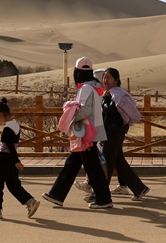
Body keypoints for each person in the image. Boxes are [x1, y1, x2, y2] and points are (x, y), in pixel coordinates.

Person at [42, 57, 113, 209]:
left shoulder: (86, 88)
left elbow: (85, 110)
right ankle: (57, 195)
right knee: (73, 163)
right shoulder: (95, 86)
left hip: (87, 132)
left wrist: (71, 116)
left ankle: (104, 198)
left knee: (91, 166)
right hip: (92, 130)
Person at [96, 67, 149, 201]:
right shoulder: (110, 93)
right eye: (104, 77)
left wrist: (106, 100)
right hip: (110, 131)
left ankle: (100, 194)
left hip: (114, 131)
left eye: (108, 77)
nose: (105, 80)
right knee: (119, 162)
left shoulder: (117, 94)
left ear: (116, 80)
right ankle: (139, 188)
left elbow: (115, 111)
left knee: (107, 163)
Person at [0, 98, 40, 220]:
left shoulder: (7, 129)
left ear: (0, 114)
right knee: (13, 184)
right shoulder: (16, 125)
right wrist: (15, 161)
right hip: (10, 160)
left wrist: (17, 161)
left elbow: (8, 146)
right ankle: (30, 201)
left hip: (3, 158)